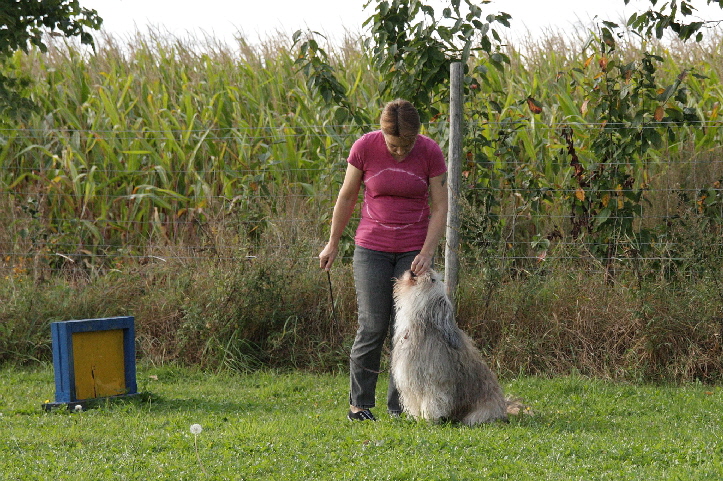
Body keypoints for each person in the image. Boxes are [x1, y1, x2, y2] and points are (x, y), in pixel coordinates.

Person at [318, 99, 449, 421]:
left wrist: (427, 252)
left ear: (417, 136)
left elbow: (441, 207)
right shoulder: (365, 147)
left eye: (406, 146)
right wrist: (333, 242)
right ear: (382, 134)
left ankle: (399, 406)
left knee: (406, 330)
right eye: (394, 145)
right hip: (371, 249)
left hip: (414, 252)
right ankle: (359, 406)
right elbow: (347, 196)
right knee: (372, 325)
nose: (400, 152)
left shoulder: (430, 152)